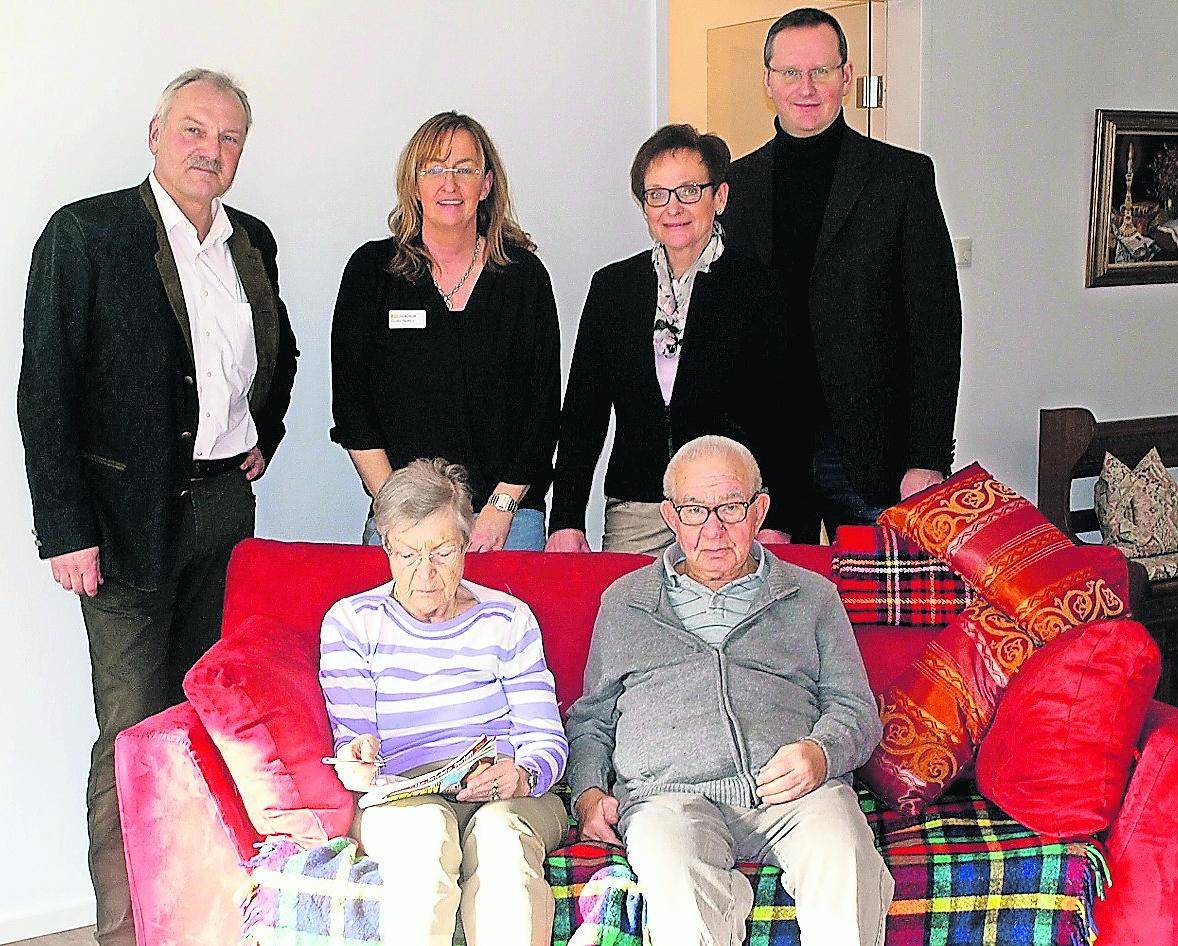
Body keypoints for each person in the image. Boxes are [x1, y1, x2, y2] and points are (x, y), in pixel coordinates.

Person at [17, 68, 298, 946]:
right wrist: (66, 531)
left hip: (223, 512)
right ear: (155, 133)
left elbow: (272, 349)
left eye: (228, 139)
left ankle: (201, 916)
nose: (210, 151)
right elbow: (44, 392)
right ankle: (127, 929)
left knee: (213, 720)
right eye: (194, 131)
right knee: (133, 732)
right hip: (124, 526)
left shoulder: (250, 239)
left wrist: (263, 432)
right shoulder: (87, 234)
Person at [565, 435, 891, 946]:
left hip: (795, 795)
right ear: (671, 516)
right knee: (678, 891)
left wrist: (820, 754)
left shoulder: (812, 596)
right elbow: (591, 719)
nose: (713, 530)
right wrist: (587, 794)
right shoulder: (625, 602)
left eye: (731, 509)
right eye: (695, 510)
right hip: (666, 798)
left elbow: (854, 706)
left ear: (759, 510)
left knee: (847, 862)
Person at [720, 7, 962, 542]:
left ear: (847, 77)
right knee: (780, 620)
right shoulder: (738, 186)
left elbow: (937, 329)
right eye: (790, 73)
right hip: (770, 457)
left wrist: (927, 456)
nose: (806, 88)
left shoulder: (902, 179)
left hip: (875, 456)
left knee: (885, 617)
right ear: (768, 82)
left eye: (821, 71)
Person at [320, 459, 569, 946]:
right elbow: (353, 757)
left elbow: (547, 740)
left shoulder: (508, 619)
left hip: (507, 789)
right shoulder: (353, 623)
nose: (427, 574)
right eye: (410, 554)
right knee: (428, 832)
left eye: (442, 552)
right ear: (387, 546)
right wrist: (358, 760)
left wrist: (523, 774)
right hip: (405, 795)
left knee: (502, 840)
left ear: (467, 544)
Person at [546, 124, 795, 555]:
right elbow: (584, 413)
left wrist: (781, 518)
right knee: (634, 618)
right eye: (657, 194)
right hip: (638, 508)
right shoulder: (613, 288)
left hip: (732, 507)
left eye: (689, 191)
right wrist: (566, 519)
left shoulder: (758, 287)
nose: (673, 208)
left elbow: (785, 414)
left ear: (719, 197)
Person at [330, 111, 560, 552]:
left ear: (487, 183)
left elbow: (542, 409)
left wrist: (500, 507)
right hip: (401, 517)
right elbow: (352, 408)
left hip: (509, 522)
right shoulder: (371, 272)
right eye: (434, 169)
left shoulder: (523, 277)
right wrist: (397, 506)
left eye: (464, 169)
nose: (449, 184)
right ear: (413, 183)